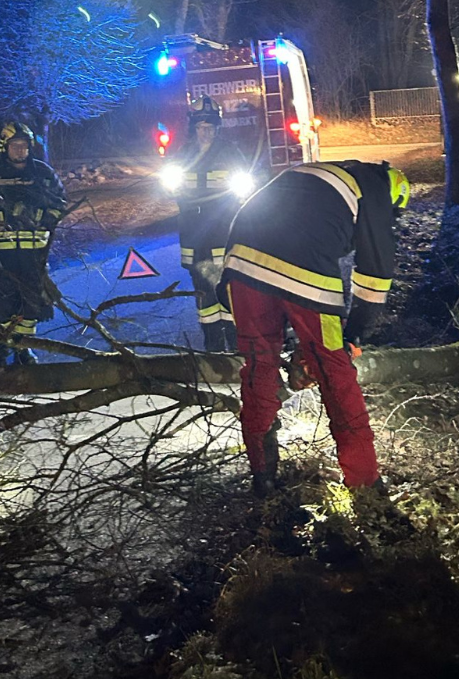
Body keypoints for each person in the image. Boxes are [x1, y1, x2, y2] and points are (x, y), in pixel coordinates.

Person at [219, 160, 411, 496]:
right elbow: (375, 276)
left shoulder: (318, 177)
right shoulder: (377, 189)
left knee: (259, 367)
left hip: (240, 262)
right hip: (303, 263)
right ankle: (365, 485)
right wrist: (352, 336)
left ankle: (263, 477)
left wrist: (290, 341)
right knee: (336, 373)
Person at [0, 121, 68, 364]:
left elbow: (59, 202)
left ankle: (23, 349)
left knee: (31, 301)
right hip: (2, 252)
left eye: (24, 145)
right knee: (0, 301)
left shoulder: (43, 173)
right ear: (4, 147)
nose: (20, 150)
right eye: (15, 146)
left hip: (34, 251)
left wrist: (46, 221)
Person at [174, 95, 252, 352]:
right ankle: (213, 347)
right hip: (195, 235)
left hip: (224, 232)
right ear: (194, 128)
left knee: (230, 290)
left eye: (210, 127)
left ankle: (236, 344)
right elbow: (172, 188)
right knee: (203, 293)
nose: (205, 132)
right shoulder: (183, 155)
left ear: (217, 128)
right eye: (201, 127)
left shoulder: (230, 153)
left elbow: (246, 186)